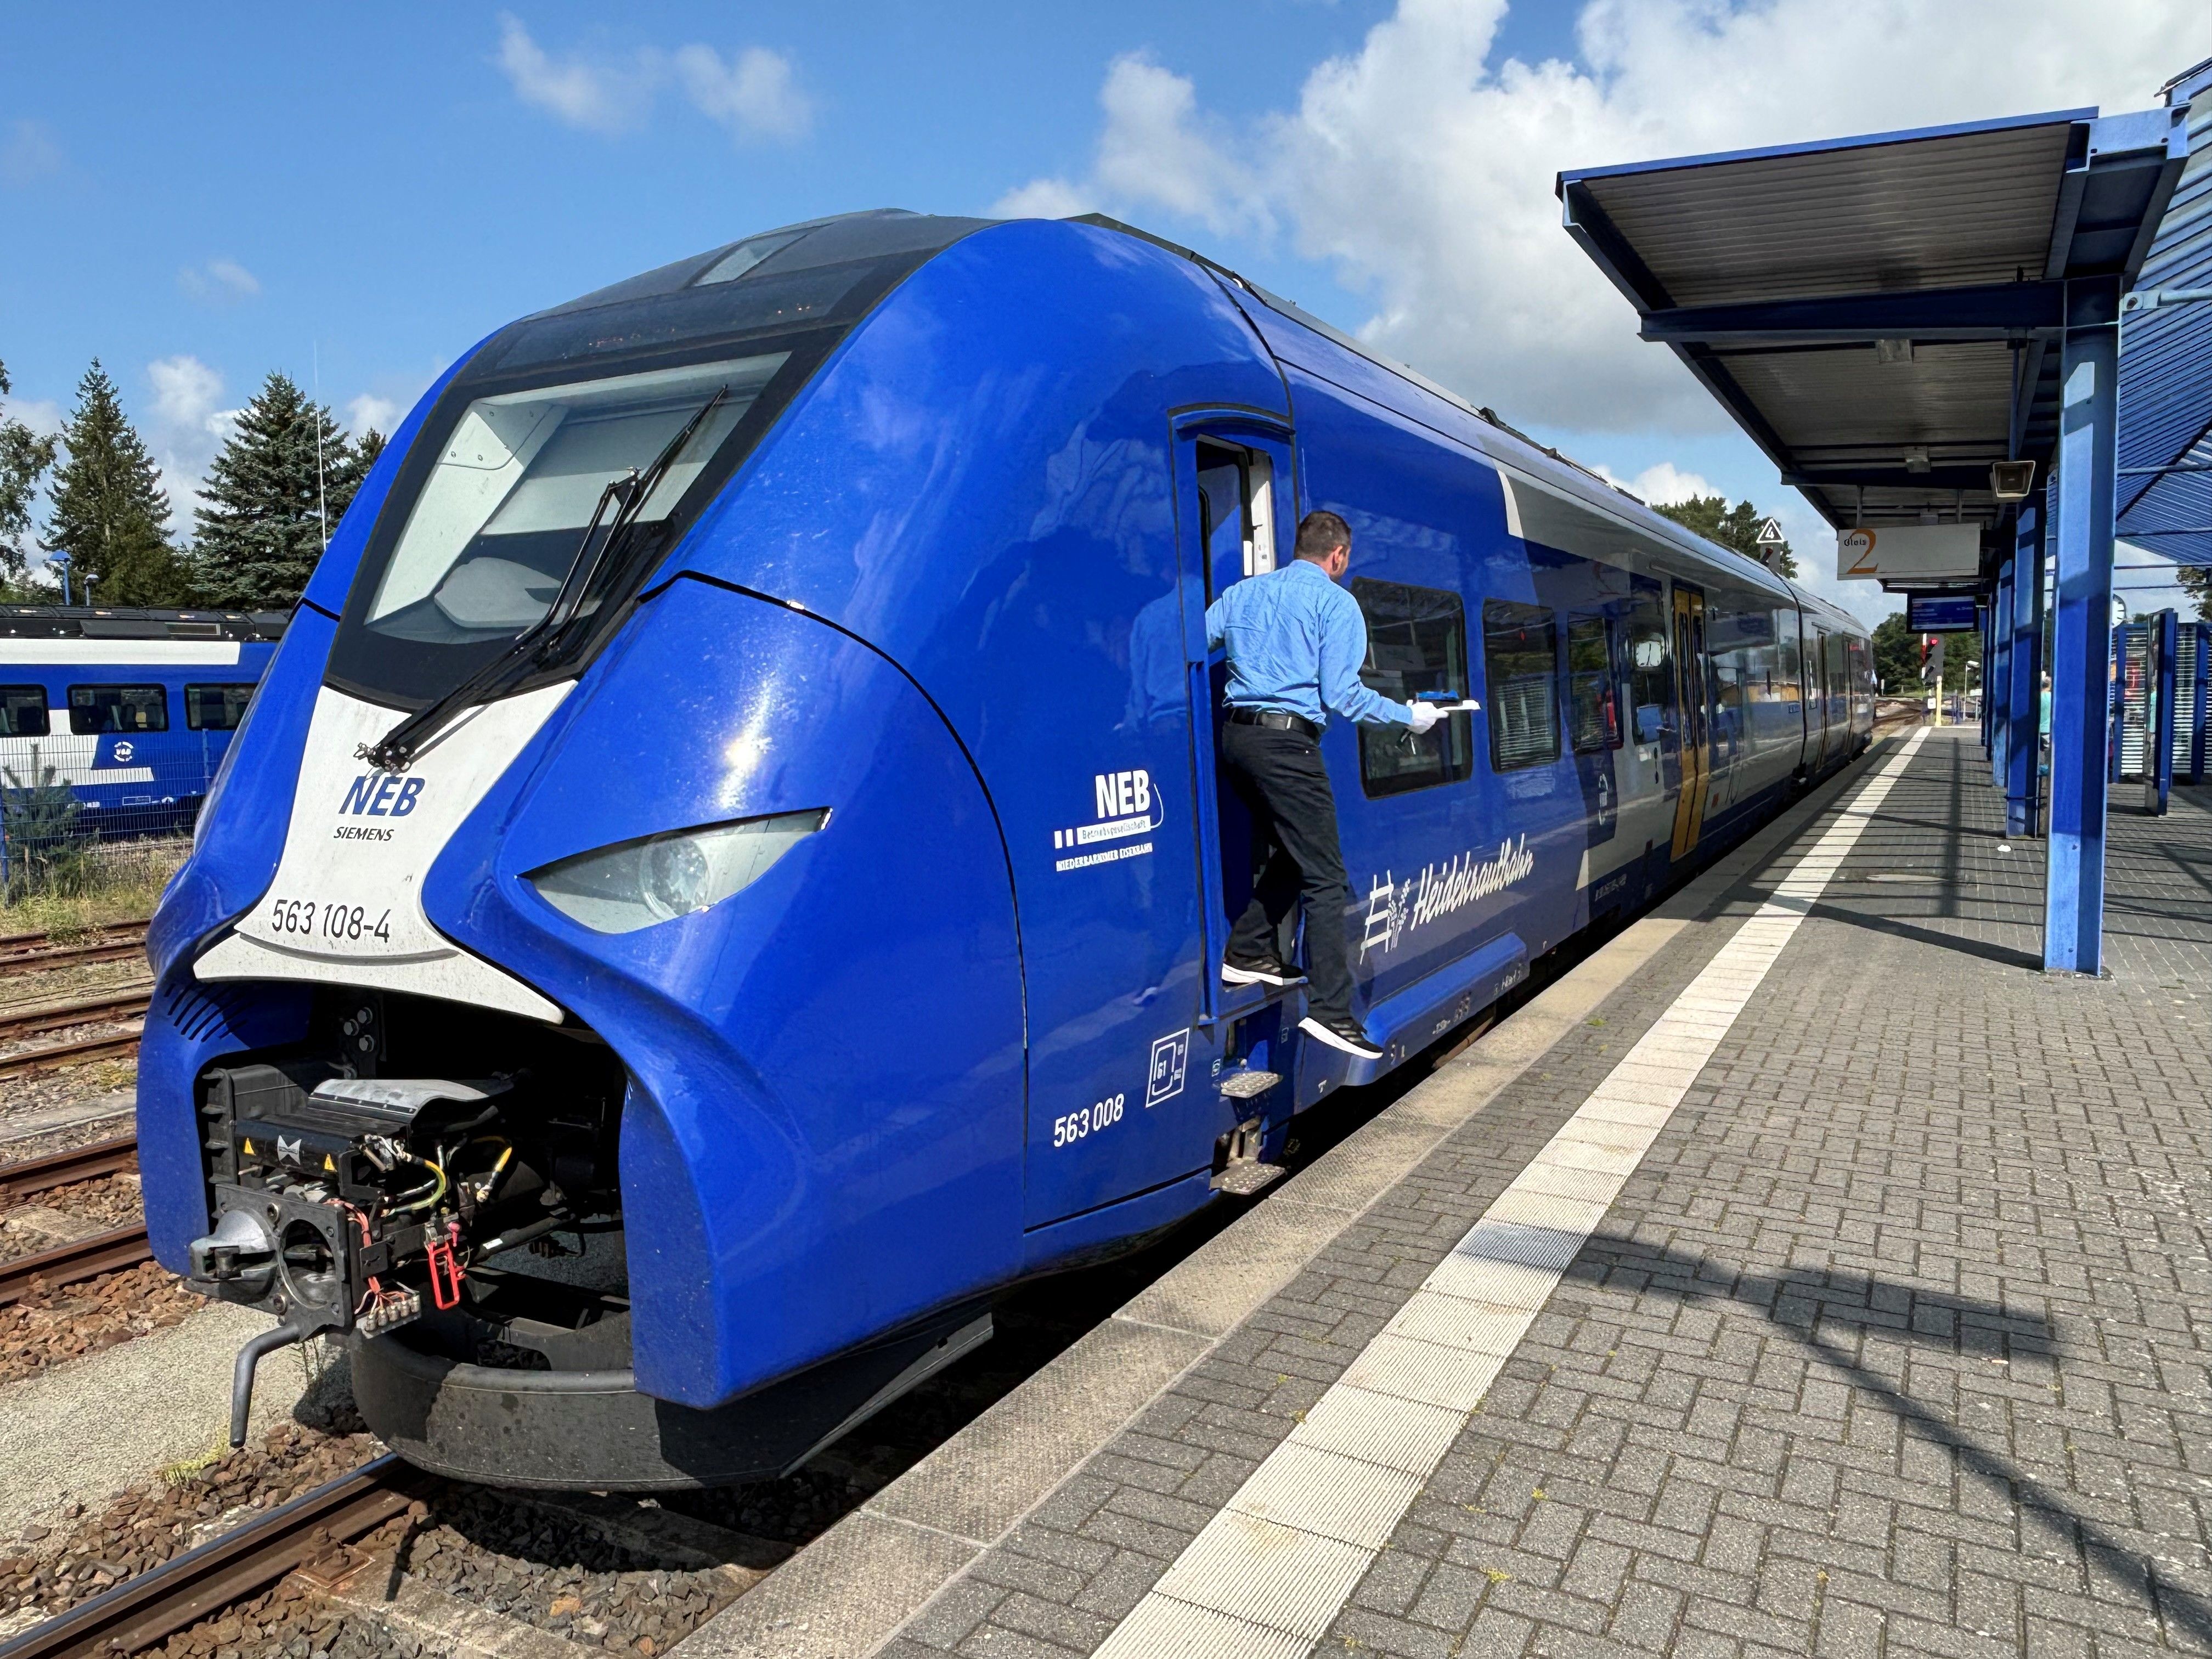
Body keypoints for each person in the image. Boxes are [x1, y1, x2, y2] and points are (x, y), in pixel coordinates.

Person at [1205, 509, 1440, 1061]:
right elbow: (1343, 695)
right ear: (1339, 556)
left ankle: (1249, 950)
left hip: (1237, 742)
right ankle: (1333, 1013)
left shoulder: (1242, 594)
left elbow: (1196, 639)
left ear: (1301, 547)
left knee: (1295, 849)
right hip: (1288, 745)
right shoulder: (1335, 603)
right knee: (1327, 877)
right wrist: (1410, 717)